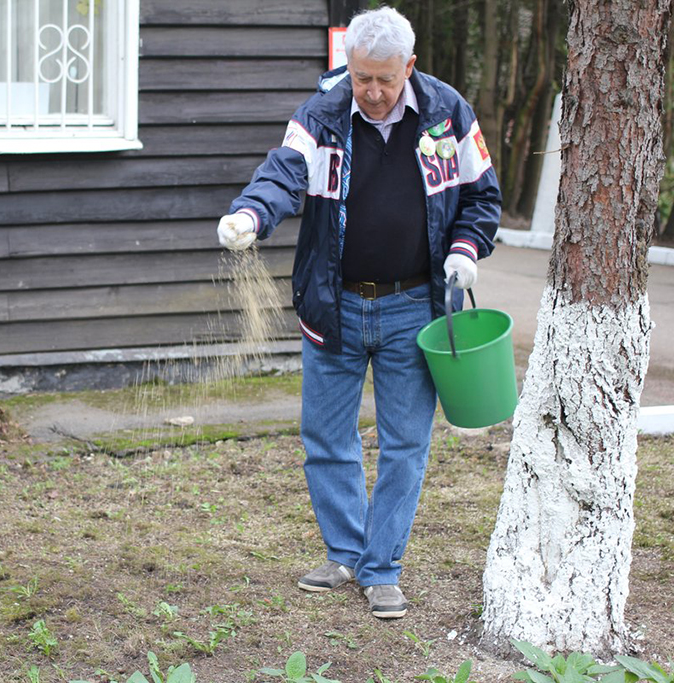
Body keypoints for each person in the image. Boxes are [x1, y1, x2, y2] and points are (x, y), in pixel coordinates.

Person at [216, 6, 501, 619]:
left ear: (409, 67)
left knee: (405, 443)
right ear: (349, 66)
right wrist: (250, 215)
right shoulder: (319, 116)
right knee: (326, 436)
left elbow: (482, 198)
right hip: (334, 304)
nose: (371, 91)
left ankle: (382, 569)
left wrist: (465, 250)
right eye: (361, 77)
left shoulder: (448, 114)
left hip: (414, 306)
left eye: (385, 80)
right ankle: (345, 553)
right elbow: (282, 174)